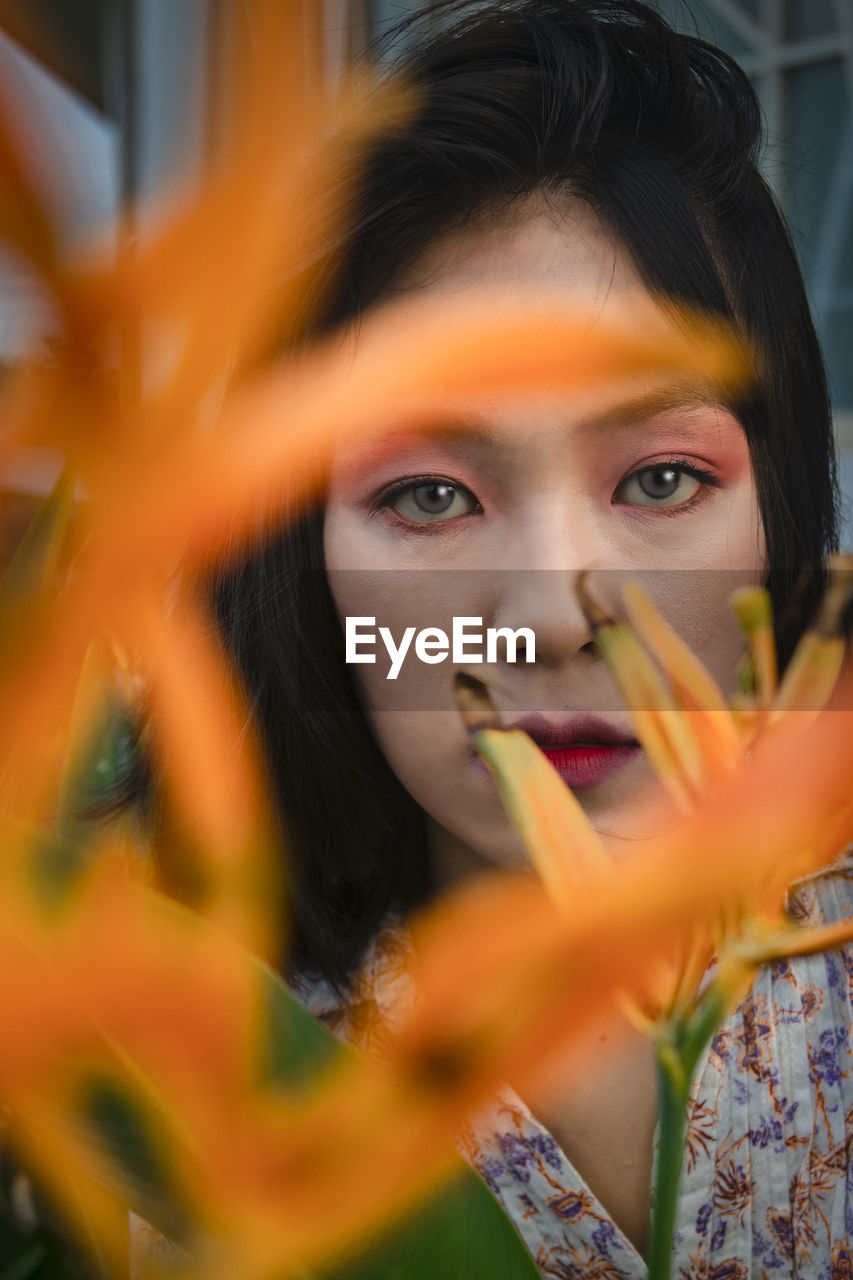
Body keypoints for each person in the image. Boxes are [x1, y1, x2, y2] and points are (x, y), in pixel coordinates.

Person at [211, 1, 852, 1274]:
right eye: (431, 496)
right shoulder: (198, 1074)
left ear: (778, 514)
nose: (557, 617)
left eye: (662, 479)